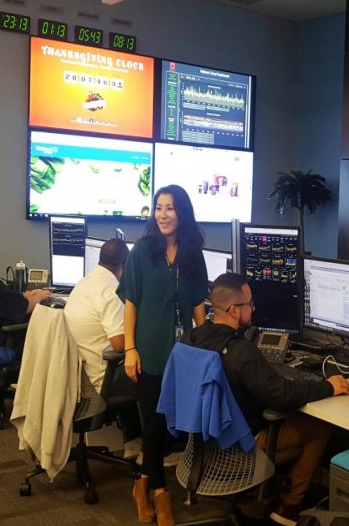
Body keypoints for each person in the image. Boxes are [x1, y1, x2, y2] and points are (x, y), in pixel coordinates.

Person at [191, 272, 349, 526]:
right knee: (319, 426)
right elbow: (282, 395)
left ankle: (270, 497)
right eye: (249, 304)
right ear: (234, 310)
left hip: (206, 441)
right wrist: (328, 387)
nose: (253, 310)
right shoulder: (240, 351)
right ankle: (288, 504)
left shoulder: (195, 338)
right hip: (242, 444)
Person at [118, 184, 208, 526]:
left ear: (181, 213)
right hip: (149, 353)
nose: (163, 214)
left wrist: (204, 347)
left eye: (169, 208)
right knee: (153, 428)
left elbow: (199, 304)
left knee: (168, 429)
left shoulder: (192, 254)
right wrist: (130, 348)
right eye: (158, 208)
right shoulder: (142, 251)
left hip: (182, 355)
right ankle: (160, 495)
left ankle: (141, 486)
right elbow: (131, 303)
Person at [63, 238, 141, 457]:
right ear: (125, 264)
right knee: (154, 373)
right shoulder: (110, 290)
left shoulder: (85, 283)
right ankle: (157, 448)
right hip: (99, 379)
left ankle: (134, 441)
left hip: (80, 375)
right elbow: (119, 344)